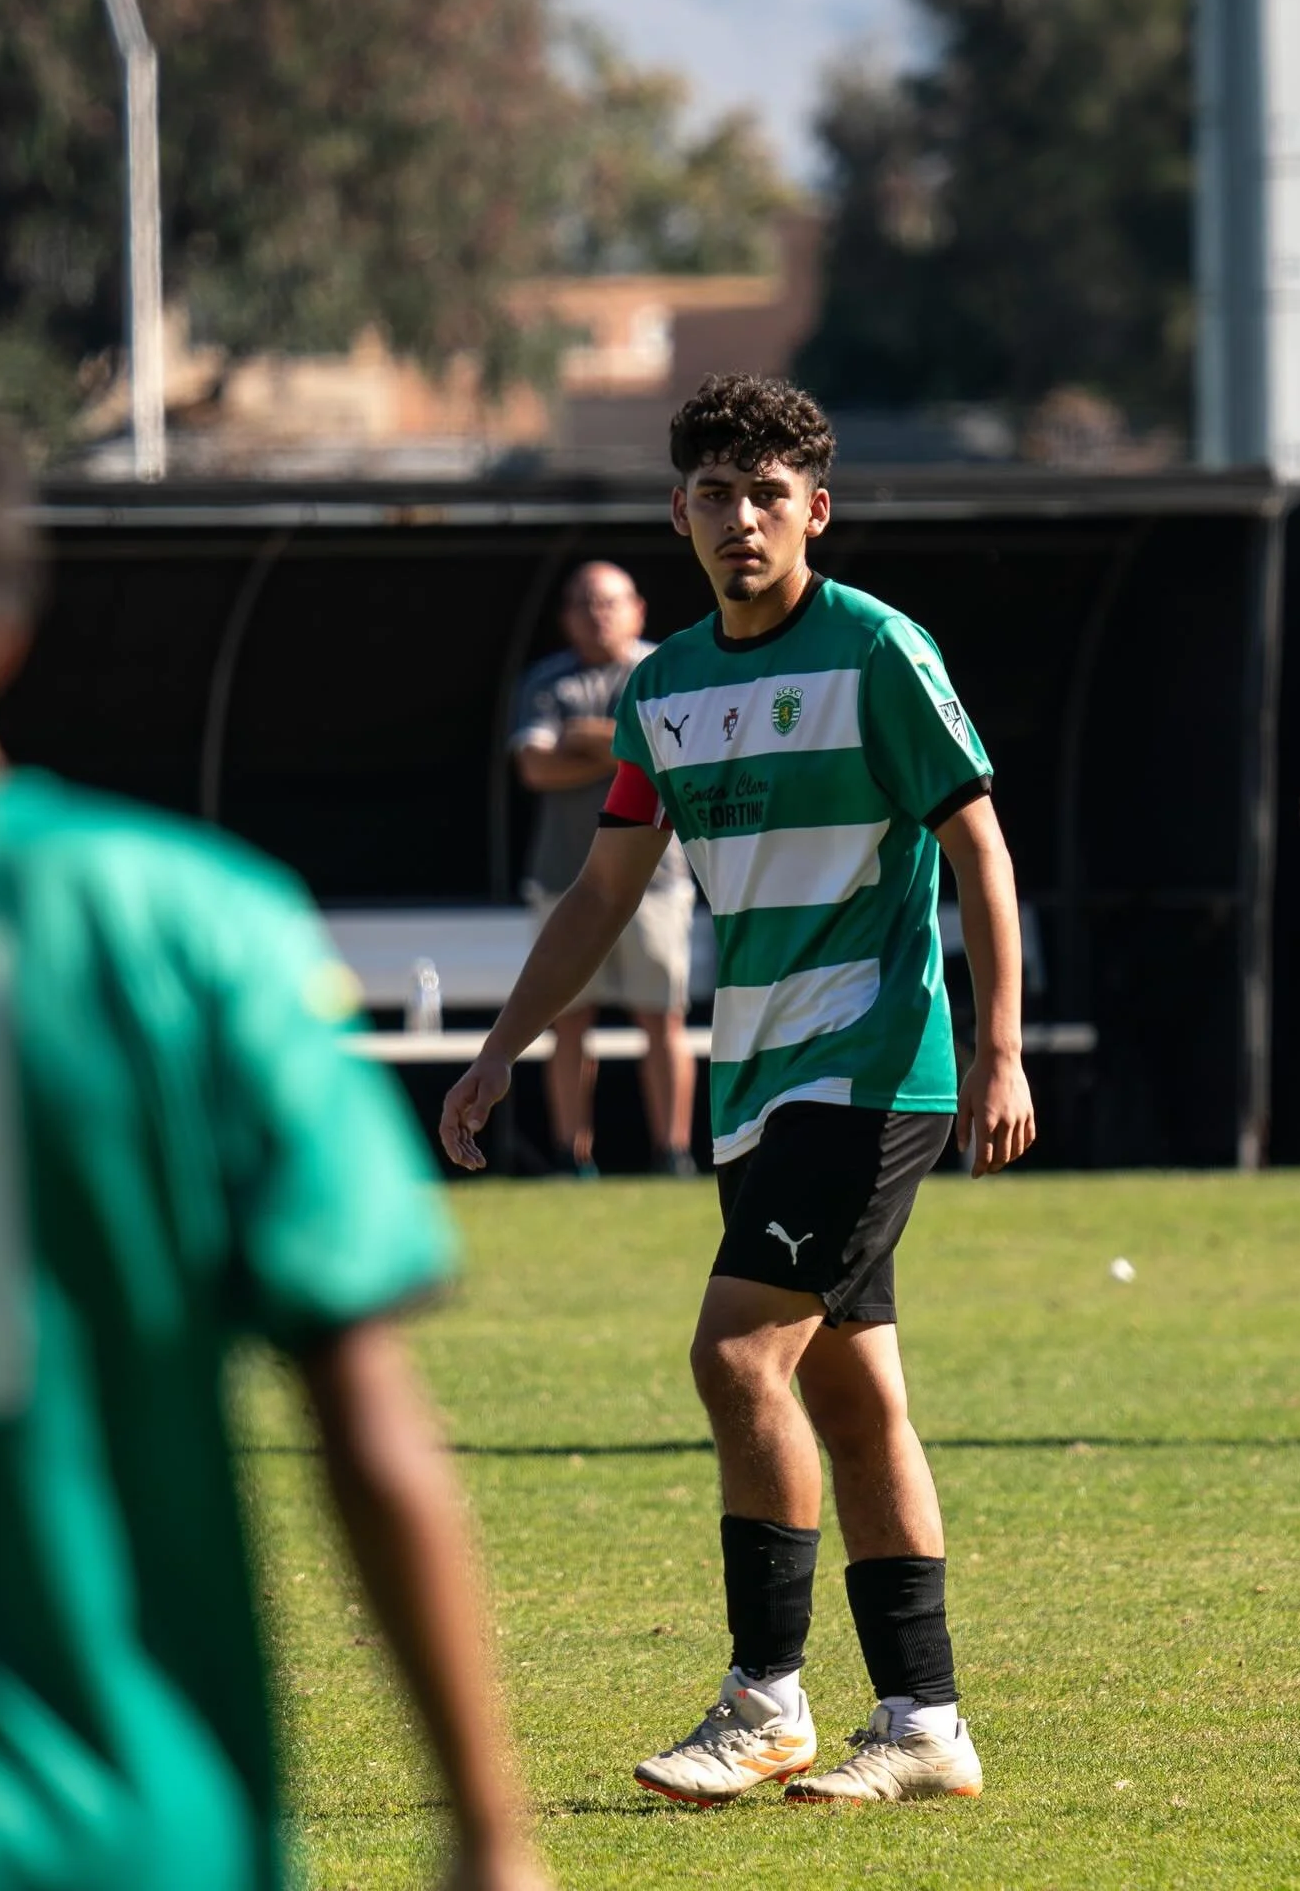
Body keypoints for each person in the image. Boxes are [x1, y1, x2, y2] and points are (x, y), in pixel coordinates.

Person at [0, 357, 547, 1891]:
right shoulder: (189, 923)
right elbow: (364, 1410)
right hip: (142, 1828)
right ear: (4, 625)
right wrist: (491, 1836)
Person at [442, 373, 1035, 1808]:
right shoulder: (665, 690)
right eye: (716, 494)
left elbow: (979, 851)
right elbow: (602, 891)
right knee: (851, 1395)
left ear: (815, 511)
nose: (742, 518)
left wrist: (1003, 1048)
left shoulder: (880, 651)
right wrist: (503, 1044)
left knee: (732, 1359)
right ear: (679, 515)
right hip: (754, 1078)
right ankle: (925, 1722)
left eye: (770, 494)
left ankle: (765, 1700)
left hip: (872, 1064)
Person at [511, 561, 697, 1176]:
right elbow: (536, 768)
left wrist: (588, 741)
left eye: (610, 602)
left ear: (638, 608)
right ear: (567, 617)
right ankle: (573, 1156)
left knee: (661, 1017)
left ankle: (672, 1154)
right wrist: (626, 752)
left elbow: (678, 758)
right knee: (567, 1019)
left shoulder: (664, 670)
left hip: (657, 877)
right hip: (565, 878)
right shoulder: (548, 680)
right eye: (586, 605)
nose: (599, 615)